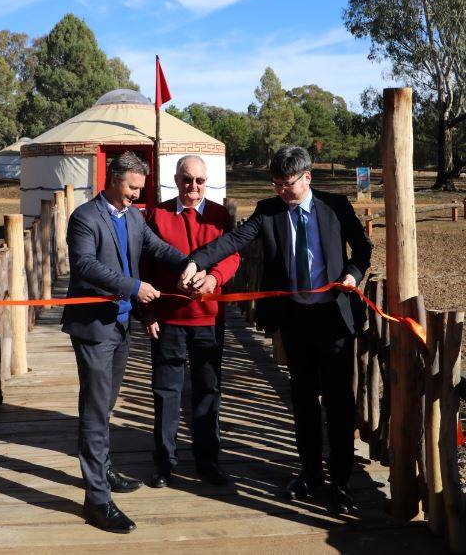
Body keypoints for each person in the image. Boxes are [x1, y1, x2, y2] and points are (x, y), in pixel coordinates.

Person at [181, 146, 372, 514]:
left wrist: (353, 273)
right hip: (295, 320)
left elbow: (362, 247)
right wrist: (196, 261)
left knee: (338, 402)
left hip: (334, 319)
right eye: (277, 184)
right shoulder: (269, 211)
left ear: (307, 178)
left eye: (289, 184)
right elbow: (232, 241)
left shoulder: (336, 206)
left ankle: (342, 482)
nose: (283, 191)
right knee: (302, 400)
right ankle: (310, 472)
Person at [62, 151, 187, 534]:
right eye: (132, 187)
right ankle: (97, 500)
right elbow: (85, 266)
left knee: (106, 405)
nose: (137, 194)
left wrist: (189, 264)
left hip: (120, 327)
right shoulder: (85, 217)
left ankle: (103, 470)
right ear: (114, 178)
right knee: (96, 411)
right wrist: (135, 287)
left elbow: (155, 248)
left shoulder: (133, 217)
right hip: (94, 329)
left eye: (141, 188)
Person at [141, 155, 240, 488]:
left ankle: (207, 460)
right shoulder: (157, 215)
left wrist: (213, 278)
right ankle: (165, 462)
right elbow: (144, 265)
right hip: (169, 319)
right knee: (166, 392)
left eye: (199, 181)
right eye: (187, 180)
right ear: (176, 179)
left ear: (206, 181)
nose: (193, 188)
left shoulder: (219, 215)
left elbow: (233, 255)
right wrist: (148, 312)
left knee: (207, 391)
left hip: (208, 319)